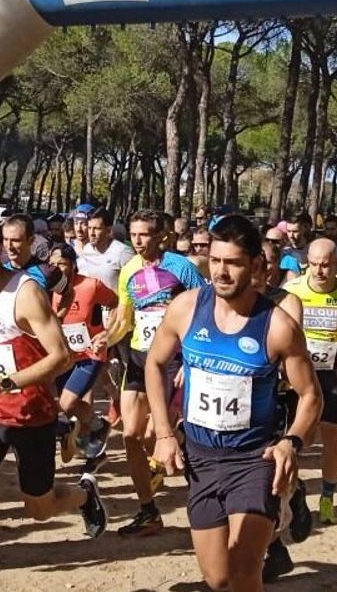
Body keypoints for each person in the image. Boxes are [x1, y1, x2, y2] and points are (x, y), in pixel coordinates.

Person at [147, 214, 320, 590]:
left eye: (233, 263)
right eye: (216, 261)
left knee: (244, 573)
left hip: (254, 460)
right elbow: (155, 362)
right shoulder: (186, 308)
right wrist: (163, 431)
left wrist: (292, 442)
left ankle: (282, 504)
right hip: (201, 458)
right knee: (218, 578)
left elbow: (311, 395)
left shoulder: (277, 326)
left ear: (256, 265)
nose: (221, 272)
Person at [0, 221, 106, 592]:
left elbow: (61, 357)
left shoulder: (24, 293)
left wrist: (6, 382)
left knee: (39, 509)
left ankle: (85, 493)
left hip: (31, 415)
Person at [111, 210, 206, 537]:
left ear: (161, 236)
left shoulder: (181, 268)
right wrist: (104, 340)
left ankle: (203, 500)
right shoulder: (128, 271)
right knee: (130, 435)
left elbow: (204, 311)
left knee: (157, 434)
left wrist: (193, 361)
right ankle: (148, 510)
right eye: (133, 235)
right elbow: (125, 316)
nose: (138, 241)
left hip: (175, 360)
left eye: (145, 235)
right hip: (139, 357)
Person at [282, 237, 337, 527]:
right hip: (297, 374)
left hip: (331, 374)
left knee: (332, 436)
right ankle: (291, 494)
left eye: (325, 265)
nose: (319, 271)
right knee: (295, 438)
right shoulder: (291, 290)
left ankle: (327, 498)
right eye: (313, 264)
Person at [44, 243, 116, 464]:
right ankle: (95, 435)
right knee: (68, 404)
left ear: (73, 265)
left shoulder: (90, 285)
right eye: (52, 264)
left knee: (66, 404)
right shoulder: (46, 289)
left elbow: (115, 304)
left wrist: (105, 335)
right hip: (64, 356)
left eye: (62, 263)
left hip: (89, 355)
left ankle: (93, 426)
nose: (56, 268)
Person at [78, 208, 131, 291]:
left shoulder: (123, 252)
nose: (92, 233)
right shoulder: (86, 249)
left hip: (112, 303)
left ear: (108, 230)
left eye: (97, 229)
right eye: (89, 228)